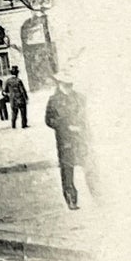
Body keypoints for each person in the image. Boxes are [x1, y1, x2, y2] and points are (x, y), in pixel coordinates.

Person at [44, 74, 94, 210]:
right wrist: (65, 126)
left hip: (82, 138)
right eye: (65, 85)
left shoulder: (80, 98)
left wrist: (84, 130)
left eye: (70, 84)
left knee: (90, 167)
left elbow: (88, 117)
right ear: (59, 84)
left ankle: (98, 195)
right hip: (65, 141)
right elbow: (49, 120)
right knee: (67, 171)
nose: (68, 87)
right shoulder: (53, 101)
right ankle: (71, 200)